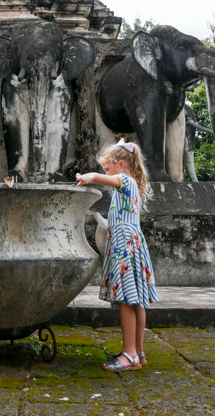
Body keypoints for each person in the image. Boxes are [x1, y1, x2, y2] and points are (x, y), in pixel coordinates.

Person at [76, 139, 158, 372]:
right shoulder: (134, 188)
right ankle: (139, 353)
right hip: (133, 244)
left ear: (121, 164)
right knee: (137, 302)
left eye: (108, 168)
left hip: (124, 245)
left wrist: (85, 177)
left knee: (124, 300)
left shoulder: (123, 180)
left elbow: (98, 178)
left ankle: (129, 354)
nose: (107, 173)